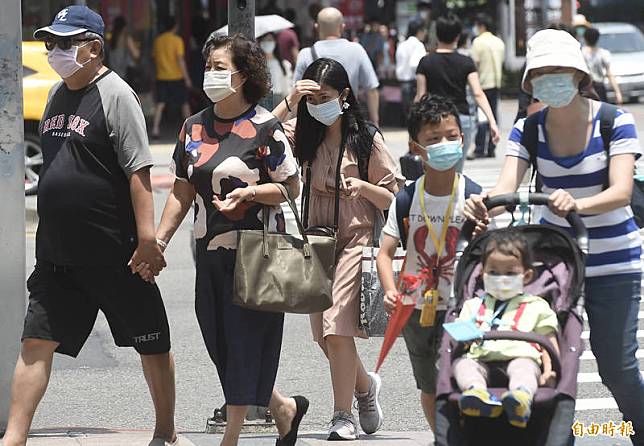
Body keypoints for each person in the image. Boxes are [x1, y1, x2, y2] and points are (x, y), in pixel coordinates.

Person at [2, 6, 178, 446]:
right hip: (59, 254)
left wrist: (147, 240)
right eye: (50, 43)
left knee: (152, 342)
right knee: (36, 341)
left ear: (94, 48)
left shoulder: (117, 95)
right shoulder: (58, 95)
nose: (55, 52)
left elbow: (138, 171)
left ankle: (166, 431)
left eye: (66, 43)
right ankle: (15, 437)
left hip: (114, 253)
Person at [464, 29, 644, 445]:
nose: (551, 78)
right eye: (542, 72)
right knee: (547, 359)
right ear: (530, 81)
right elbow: (504, 187)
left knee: (617, 367)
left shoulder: (614, 121)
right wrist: (481, 203)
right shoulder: (528, 129)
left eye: (559, 70)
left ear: (580, 74)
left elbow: (620, 191)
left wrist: (576, 204)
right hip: (555, 264)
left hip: (614, 259)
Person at [153, 34, 307, 446]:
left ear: (244, 76)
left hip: (256, 255)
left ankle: (231, 437)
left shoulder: (264, 127)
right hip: (208, 253)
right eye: (209, 66)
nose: (212, 74)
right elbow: (182, 191)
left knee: (243, 340)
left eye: (221, 67)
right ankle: (283, 408)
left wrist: (253, 193)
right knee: (219, 341)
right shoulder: (193, 126)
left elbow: (292, 186)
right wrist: (160, 241)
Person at [273, 58, 403, 440]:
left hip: (356, 241)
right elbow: (260, 137)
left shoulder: (366, 140)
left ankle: (341, 415)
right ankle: (365, 387)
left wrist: (362, 187)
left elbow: (393, 197)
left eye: (325, 98)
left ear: (344, 96)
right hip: (316, 242)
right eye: (312, 99)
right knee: (323, 335)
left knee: (335, 328)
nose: (318, 106)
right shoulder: (304, 135)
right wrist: (291, 99)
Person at [377, 95, 482, 432]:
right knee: (429, 384)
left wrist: (483, 228)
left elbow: (493, 253)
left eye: (451, 136)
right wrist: (390, 290)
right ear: (416, 147)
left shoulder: (474, 195)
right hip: (415, 306)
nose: (444, 145)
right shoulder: (406, 198)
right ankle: (442, 436)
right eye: (433, 139)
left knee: (466, 374)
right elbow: (385, 251)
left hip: (463, 306)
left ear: (462, 139)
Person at [453, 229, 559, 428]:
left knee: (524, 368)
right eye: (493, 272)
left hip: (520, 356)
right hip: (480, 358)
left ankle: (520, 397)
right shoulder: (473, 305)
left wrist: (550, 370)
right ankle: (476, 393)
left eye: (510, 273)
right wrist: (463, 337)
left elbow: (548, 343)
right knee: (463, 365)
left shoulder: (536, 306)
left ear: (526, 276)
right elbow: (459, 334)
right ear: (482, 273)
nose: (501, 278)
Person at [415, 14, 500, 171]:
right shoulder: (466, 62)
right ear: (457, 36)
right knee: (456, 171)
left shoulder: (425, 62)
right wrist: (492, 122)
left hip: (432, 119)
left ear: (437, 35)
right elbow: (478, 93)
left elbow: (420, 95)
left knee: (433, 169)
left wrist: (413, 124)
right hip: (460, 120)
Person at [293, 7, 381, 126]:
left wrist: (295, 123)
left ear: (316, 27)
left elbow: (297, 92)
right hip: (348, 118)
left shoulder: (305, 54)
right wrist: (375, 122)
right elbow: (371, 89)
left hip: (314, 120)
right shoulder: (356, 50)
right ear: (342, 27)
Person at [151, 16, 192, 139]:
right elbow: (180, 60)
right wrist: (187, 78)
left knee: (160, 104)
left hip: (162, 77)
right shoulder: (177, 40)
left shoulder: (158, 40)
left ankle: (155, 129)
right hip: (176, 77)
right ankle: (191, 129)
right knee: (184, 103)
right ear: (175, 26)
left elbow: (154, 58)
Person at [470, 13, 505, 158]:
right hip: (496, 83)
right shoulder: (499, 42)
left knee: (482, 117)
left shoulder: (478, 42)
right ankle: (491, 148)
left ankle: (479, 148)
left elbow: (474, 64)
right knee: (493, 116)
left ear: (481, 26)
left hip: (482, 83)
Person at [396, 18, 427, 123]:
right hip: (414, 83)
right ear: (419, 31)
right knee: (417, 114)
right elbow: (415, 64)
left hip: (403, 83)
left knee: (409, 115)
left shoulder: (402, 44)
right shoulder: (418, 45)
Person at [583, 27, 623, 104]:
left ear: (585, 38)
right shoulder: (603, 53)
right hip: (600, 87)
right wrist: (617, 92)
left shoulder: (581, 53)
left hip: (586, 87)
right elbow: (609, 74)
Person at [258, 32, 293, 105]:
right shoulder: (258, 64)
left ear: (275, 42)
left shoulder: (284, 64)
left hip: (279, 99)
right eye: (264, 40)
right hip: (262, 99)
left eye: (270, 40)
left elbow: (287, 88)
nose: (267, 43)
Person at [107, 16, 140, 84]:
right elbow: (136, 54)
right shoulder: (126, 38)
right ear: (124, 27)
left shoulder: (111, 39)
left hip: (113, 74)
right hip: (124, 74)